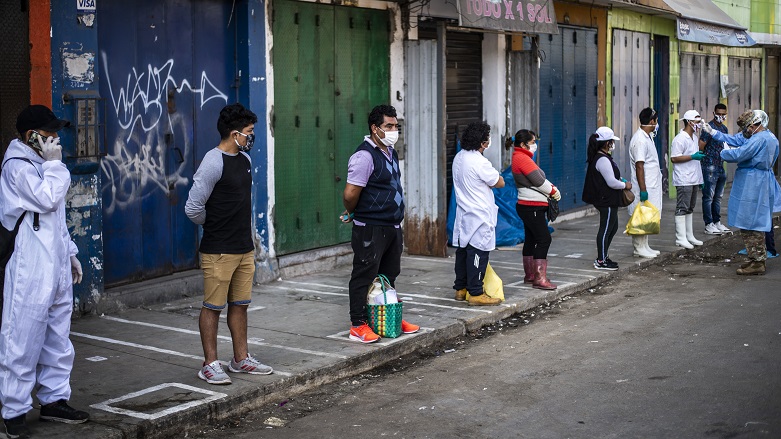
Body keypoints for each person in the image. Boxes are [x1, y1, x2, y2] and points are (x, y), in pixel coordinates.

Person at [0, 105, 89, 438]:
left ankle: (54, 401)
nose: (56, 139)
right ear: (31, 136)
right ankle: (14, 411)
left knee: (57, 338)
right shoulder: (18, 167)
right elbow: (48, 199)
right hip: (30, 265)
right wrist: (55, 165)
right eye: (49, 133)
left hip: (54, 263)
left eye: (56, 133)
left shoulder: (44, 164)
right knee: (21, 337)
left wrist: (70, 254)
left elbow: (56, 219)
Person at [185, 103, 273, 384]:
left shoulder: (244, 161)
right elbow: (193, 208)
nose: (251, 137)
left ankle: (240, 359)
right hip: (218, 250)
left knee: (240, 304)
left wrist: (251, 240)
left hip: (243, 248)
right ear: (234, 134)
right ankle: (210, 363)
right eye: (249, 132)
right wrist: (214, 225)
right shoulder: (213, 162)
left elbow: (243, 205)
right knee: (213, 306)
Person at [341, 105, 419, 343]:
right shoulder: (364, 156)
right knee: (364, 275)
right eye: (389, 126)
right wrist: (354, 212)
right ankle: (358, 324)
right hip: (371, 227)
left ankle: (386, 317)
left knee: (388, 276)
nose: (394, 130)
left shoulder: (390, 152)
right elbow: (351, 192)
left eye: (396, 126)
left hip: (392, 226)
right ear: (375, 129)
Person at [701, 109, 781, 275]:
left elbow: (740, 153)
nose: (746, 131)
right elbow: (735, 139)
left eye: (747, 127)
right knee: (750, 221)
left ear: (755, 124)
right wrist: (713, 132)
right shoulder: (764, 136)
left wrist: (723, 152)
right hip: (755, 181)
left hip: (754, 183)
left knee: (752, 223)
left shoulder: (759, 139)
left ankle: (758, 261)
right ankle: (754, 258)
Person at [451, 122, 505, 305]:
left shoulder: (459, 157)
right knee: (478, 253)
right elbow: (499, 182)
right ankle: (475, 292)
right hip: (479, 215)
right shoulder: (480, 162)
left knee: (463, 251)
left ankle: (461, 288)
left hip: (464, 213)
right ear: (483, 143)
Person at [509, 129, 559, 290]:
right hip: (532, 206)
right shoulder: (522, 158)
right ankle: (539, 278)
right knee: (544, 239)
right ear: (523, 144)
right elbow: (538, 180)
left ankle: (530, 275)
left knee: (531, 239)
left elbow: (539, 179)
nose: (535, 145)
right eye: (532, 142)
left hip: (528, 206)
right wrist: (553, 191)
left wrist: (550, 187)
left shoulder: (521, 157)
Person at [582, 127, 632, 270]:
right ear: (605, 143)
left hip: (607, 199)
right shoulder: (602, 159)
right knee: (606, 228)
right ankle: (601, 260)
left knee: (613, 226)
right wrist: (625, 185)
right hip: (606, 200)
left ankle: (603, 255)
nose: (612, 144)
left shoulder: (602, 157)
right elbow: (611, 182)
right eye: (611, 141)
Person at [628, 107, 664, 258]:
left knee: (647, 216)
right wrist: (643, 189)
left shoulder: (647, 137)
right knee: (640, 216)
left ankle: (645, 246)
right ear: (651, 121)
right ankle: (638, 248)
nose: (657, 124)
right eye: (656, 121)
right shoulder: (640, 140)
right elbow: (639, 165)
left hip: (652, 184)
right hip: (644, 185)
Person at [670, 110, 705, 249]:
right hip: (684, 178)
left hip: (694, 178)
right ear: (689, 122)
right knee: (682, 207)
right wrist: (692, 156)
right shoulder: (680, 139)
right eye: (697, 122)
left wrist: (700, 179)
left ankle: (689, 236)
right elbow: (674, 158)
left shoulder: (694, 138)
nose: (699, 125)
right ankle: (680, 238)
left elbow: (696, 162)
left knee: (690, 207)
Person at [698, 103, 731, 235]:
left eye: (723, 114)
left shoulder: (724, 129)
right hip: (709, 166)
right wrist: (703, 161)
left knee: (718, 197)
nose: (721, 116)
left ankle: (717, 221)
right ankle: (709, 223)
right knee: (708, 197)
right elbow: (701, 145)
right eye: (719, 114)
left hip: (720, 165)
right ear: (714, 113)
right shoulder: (708, 128)